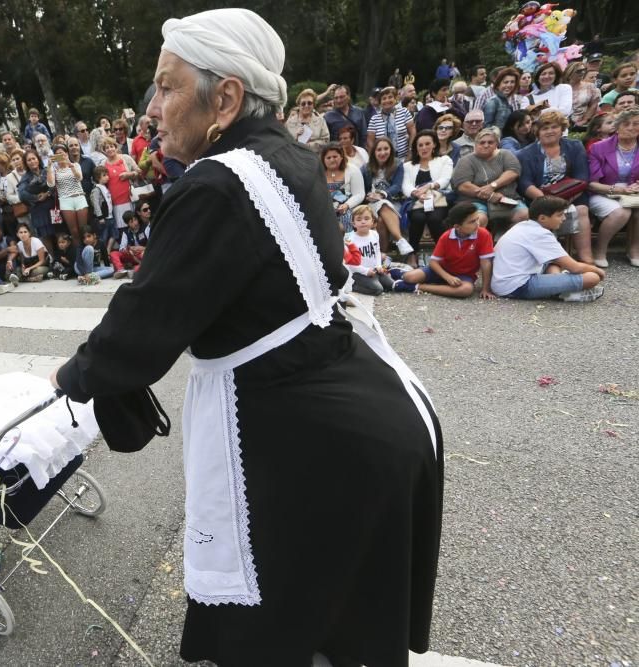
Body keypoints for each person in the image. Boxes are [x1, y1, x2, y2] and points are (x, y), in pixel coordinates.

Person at [52, 10, 442, 666]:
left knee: (276, 623)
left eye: (167, 87)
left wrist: (73, 377)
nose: (152, 107)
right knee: (336, 617)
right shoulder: (285, 154)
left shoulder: (217, 186)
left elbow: (143, 322)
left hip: (311, 434)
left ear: (225, 98)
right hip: (366, 410)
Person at [490, 196, 606, 301]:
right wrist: (597, 270)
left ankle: (558, 288)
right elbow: (574, 267)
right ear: (542, 218)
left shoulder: (524, 225)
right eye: (559, 215)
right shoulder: (540, 234)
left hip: (503, 282)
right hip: (517, 286)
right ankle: (561, 292)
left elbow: (560, 261)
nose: (564, 218)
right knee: (592, 278)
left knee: (554, 261)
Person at [516, 110, 594, 264]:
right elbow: (525, 183)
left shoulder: (575, 146)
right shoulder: (525, 154)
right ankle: (548, 259)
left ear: (562, 129)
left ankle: (586, 257)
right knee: (541, 213)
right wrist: (545, 200)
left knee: (581, 210)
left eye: (554, 127)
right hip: (539, 196)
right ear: (537, 132)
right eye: (545, 128)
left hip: (573, 193)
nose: (550, 131)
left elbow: (582, 177)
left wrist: (565, 200)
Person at [390, 202, 496, 298]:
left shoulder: (483, 234)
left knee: (466, 290)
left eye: (477, 219)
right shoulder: (446, 236)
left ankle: (418, 287)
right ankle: (396, 271)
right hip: (441, 270)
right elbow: (433, 262)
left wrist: (485, 289)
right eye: (472, 221)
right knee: (410, 277)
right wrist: (447, 277)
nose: (477, 223)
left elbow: (486, 263)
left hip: (464, 275)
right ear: (457, 227)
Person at [586, 108, 639, 267]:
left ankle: (634, 250)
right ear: (617, 126)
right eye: (626, 124)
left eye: (636, 124)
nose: (631, 127)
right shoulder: (598, 148)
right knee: (621, 212)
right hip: (602, 192)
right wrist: (618, 190)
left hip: (633, 192)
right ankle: (600, 251)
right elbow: (591, 183)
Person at [451, 127, 529, 233]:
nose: (486, 145)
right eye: (482, 142)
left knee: (524, 215)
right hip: (476, 201)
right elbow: (462, 185)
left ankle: (509, 243)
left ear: (496, 143)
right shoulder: (466, 160)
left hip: (507, 199)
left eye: (490, 142)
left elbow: (513, 172)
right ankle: (479, 247)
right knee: (478, 220)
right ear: (475, 144)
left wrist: (493, 185)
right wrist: (491, 196)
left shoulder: (505, 154)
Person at [363, 137, 414, 258]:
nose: (382, 152)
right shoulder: (366, 168)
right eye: (379, 149)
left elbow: (397, 186)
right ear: (374, 152)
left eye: (386, 149)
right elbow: (363, 189)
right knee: (382, 204)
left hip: (393, 201)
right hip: (372, 204)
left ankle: (383, 255)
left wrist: (382, 195)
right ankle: (400, 239)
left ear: (391, 150)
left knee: (381, 219)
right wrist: (369, 196)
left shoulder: (397, 164)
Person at [403, 130, 453, 250]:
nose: (424, 148)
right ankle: (412, 253)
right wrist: (417, 193)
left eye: (427, 144)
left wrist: (429, 186)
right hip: (417, 200)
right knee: (417, 218)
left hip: (439, 199)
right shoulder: (408, 166)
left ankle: (442, 252)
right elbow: (406, 185)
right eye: (420, 145)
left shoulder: (445, 160)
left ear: (434, 144)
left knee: (435, 219)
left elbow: (445, 179)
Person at [345, 205, 393, 295]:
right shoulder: (349, 239)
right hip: (358, 273)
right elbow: (349, 263)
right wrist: (365, 271)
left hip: (374, 270)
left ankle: (375, 281)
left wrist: (379, 265)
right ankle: (353, 286)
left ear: (372, 222)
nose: (363, 222)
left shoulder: (374, 234)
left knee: (391, 285)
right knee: (378, 290)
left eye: (366, 219)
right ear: (353, 223)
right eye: (359, 220)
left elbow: (377, 252)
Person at [46, 143, 87, 246]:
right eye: (57, 154)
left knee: (84, 229)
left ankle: (89, 249)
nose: (61, 155)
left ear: (67, 153)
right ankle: (79, 253)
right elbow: (51, 184)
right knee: (74, 231)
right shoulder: (54, 170)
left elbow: (79, 178)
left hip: (79, 197)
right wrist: (49, 166)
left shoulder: (75, 165)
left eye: (62, 153)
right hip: (65, 200)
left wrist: (69, 164)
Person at [18, 148, 56, 256]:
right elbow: (21, 194)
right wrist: (36, 198)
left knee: (58, 233)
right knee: (46, 236)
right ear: (26, 163)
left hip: (52, 206)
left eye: (33, 158)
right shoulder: (26, 177)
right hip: (39, 210)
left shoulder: (46, 170)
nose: (32, 161)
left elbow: (54, 184)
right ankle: (53, 259)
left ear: (38, 159)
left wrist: (47, 194)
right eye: (29, 160)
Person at [99, 137, 141, 232]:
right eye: (106, 148)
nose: (109, 149)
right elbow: (100, 181)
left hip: (129, 198)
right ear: (104, 151)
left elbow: (138, 171)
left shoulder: (125, 158)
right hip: (114, 203)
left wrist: (129, 174)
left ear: (116, 147)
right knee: (121, 229)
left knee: (133, 225)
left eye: (111, 146)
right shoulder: (102, 163)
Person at [322, 143, 365, 231]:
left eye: (335, 156)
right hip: (325, 208)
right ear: (323, 160)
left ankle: (348, 243)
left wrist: (347, 205)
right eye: (328, 158)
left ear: (341, 157)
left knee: (345, 218)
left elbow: (359, 194)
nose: (332, 160)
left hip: (347, 207)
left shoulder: (353, 170)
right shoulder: (318, 173)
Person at [366, 86, 415, 161]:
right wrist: (374, 158)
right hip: (382, 160)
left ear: (395, 99)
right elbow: (370, 141)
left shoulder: (404, 112)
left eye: (390, 97)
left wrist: (411, 152)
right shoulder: (374, 119)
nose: (387, 100)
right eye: (384, 98)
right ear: (380, 102)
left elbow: (413, 132)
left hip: (403, 159)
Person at [564, 61, 602, 131]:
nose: (582, 72)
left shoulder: (590, 86)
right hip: (564, 123)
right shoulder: (561, 88)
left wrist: (584, 120)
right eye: (579, 71)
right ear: (570, 72)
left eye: (584, 70)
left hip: (584, 123)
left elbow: (594, 105)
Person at [109, 210, 147, 278]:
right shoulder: (126, 232)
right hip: (131, 254)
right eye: (131, 222)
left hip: (142, 254)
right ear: (127, 224)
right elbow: (121, 248)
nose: (135, 223)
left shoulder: (145, 228)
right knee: (113, 253)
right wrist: (129, 250)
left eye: (135, 220)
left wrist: (142, 248)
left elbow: (152, 245)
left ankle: (134, 271)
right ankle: (121, 270)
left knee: (144, 256)